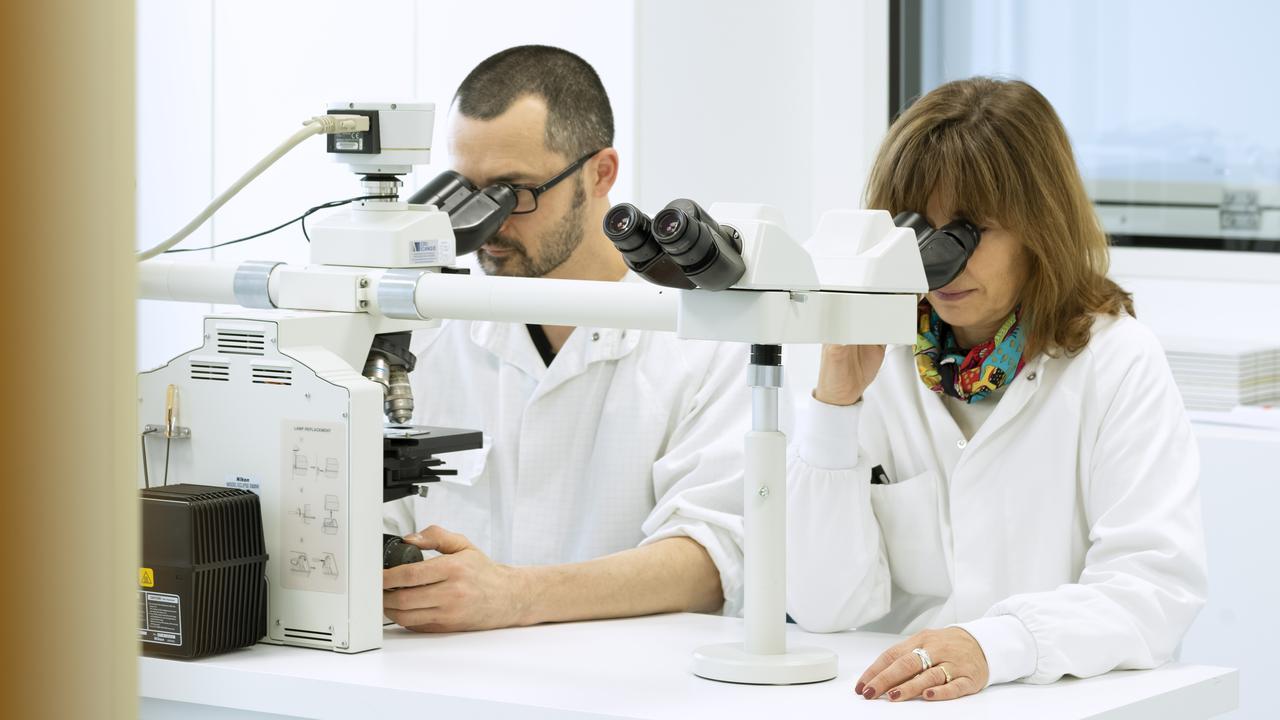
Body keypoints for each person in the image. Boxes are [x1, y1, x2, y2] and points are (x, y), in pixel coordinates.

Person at [786, 77, 1207, 702]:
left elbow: (1152, 591)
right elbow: (824, 606)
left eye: (967, 230)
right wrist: (835, 406)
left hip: (1062, 698)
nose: (939, 260)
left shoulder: (1116, 361)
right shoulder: (877, 360)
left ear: (1041, 226)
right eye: (918, 231)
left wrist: (993, 644)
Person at [383, 46, 747, 632]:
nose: (485, 223)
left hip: (625, 685)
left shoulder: (703, 342)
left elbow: (711, 560)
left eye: (515, 192)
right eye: (466, 191)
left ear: (600, 173)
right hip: (445, 674)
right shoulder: (426, 335)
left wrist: (514, 596)